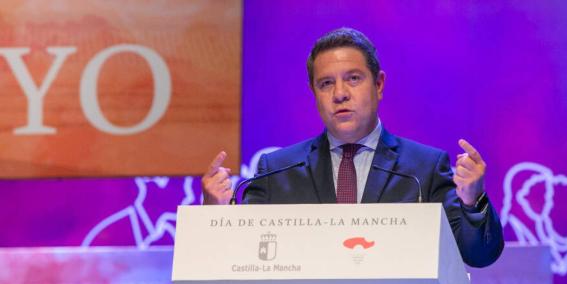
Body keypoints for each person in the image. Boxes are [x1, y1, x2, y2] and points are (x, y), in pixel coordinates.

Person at [202, 27, 503, 267]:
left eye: (353, 79)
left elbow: (477, 256)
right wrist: (215, 213)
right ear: (314, 93)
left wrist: (472, 200)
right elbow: (240, 262)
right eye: (326, 84)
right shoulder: (276, 171)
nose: (340, 94)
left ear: (379, 84)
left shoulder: (423, 167)